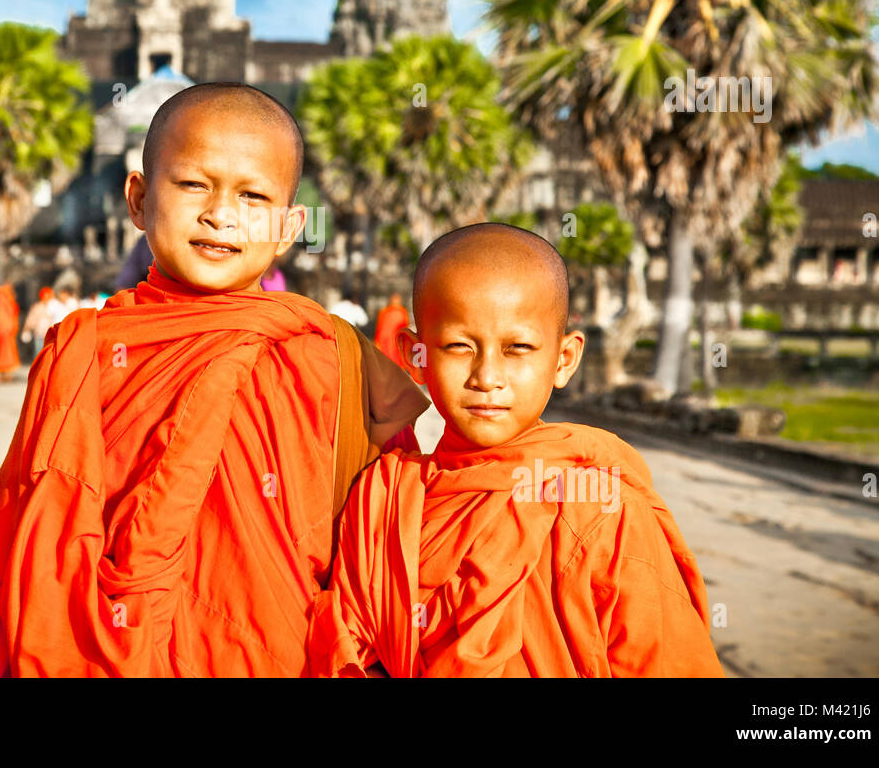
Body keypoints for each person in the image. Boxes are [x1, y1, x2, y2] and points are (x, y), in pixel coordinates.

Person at [0, 82, 429, 677]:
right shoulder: (85, 350)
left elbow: (385, 544)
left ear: (289, 227)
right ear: (138, 198)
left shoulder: (338, 360)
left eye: (253, 196)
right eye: (193, 184)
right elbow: (26, 532)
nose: (221, 214)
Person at [307, 223, 724, 678]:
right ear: (416, 355)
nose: (487, 376)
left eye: (517, 348)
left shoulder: (600, 509)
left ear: (564, 360)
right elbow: (348, 649)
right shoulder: (383, 500)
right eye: (459, 346)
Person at [21, 287, 57, 362]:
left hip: (52, 335)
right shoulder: (37, 307)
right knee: (38, 355)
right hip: (40, 334)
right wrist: (26, 328)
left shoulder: (54, 307)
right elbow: (31, 319)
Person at [373, 292, 409, 365]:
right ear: (390, 300)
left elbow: (405, 328)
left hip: (396, 342)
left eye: (397, 299)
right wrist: (377, 342)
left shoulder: (403, 312)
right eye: (394, 299)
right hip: (385, 341)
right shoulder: (384, 312)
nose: (395, 301)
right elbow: (379, 328)